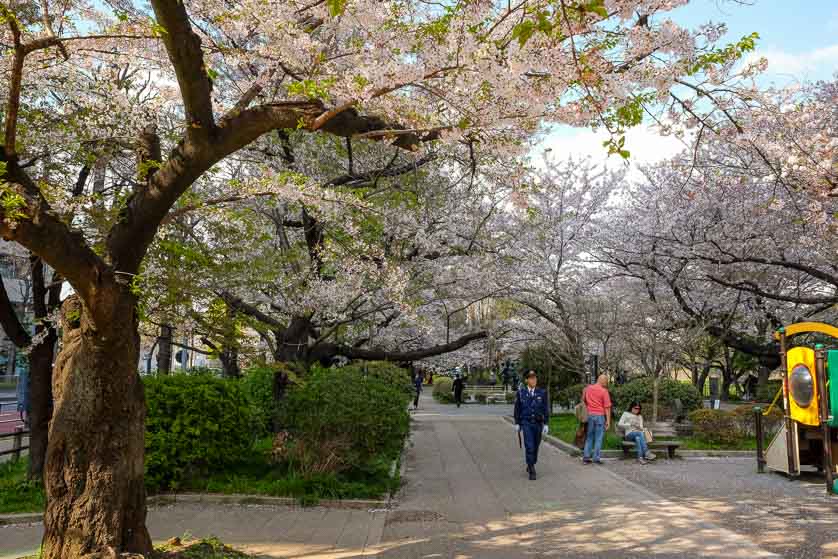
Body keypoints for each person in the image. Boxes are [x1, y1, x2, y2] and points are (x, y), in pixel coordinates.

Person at [513, 370, 550, 480]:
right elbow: (517, 409)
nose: (534, 380)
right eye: (531, 378)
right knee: (529, 446)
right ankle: (531, 469)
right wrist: (517, 423)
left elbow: (545, 409)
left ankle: (531, 462)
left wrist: (546, 423)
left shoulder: (542, 392)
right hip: (526, 422)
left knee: (535, 446)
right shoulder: (521, 393)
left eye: (535, 378)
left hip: (538, 423)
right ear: (526, 380)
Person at [582, 374, 611, 464]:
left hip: (590, 415)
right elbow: (607, 407)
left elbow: (584, 400)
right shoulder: (604, 391)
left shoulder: (588, 388)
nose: (607, 383)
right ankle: (596, 458)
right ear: (602, 380)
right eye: (606, 381)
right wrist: (608, 421)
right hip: (599, 416)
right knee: (598, 438)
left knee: (589, 437)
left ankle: (586, 457)